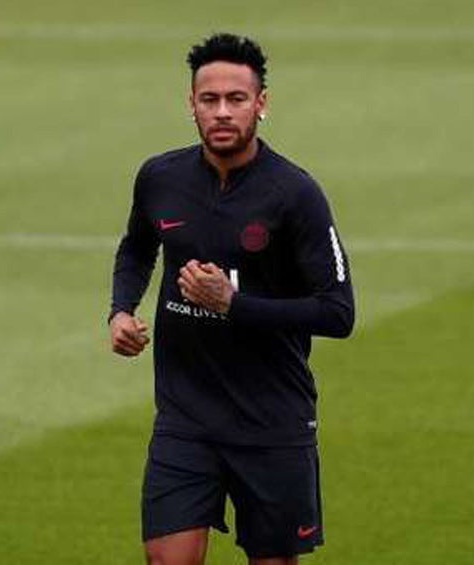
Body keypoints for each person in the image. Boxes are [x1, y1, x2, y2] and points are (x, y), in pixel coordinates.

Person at [109, 33, 354, 565]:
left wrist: (232, 303)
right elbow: (137, 247)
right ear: (190, 104)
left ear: (261, 104)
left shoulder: (296, 194)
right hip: (184, 420)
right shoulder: (160, 177)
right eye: (209, 99)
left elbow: (338, 312)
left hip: (272, 423)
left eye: (236, 99)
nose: (222, 112)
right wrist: (121, 309)